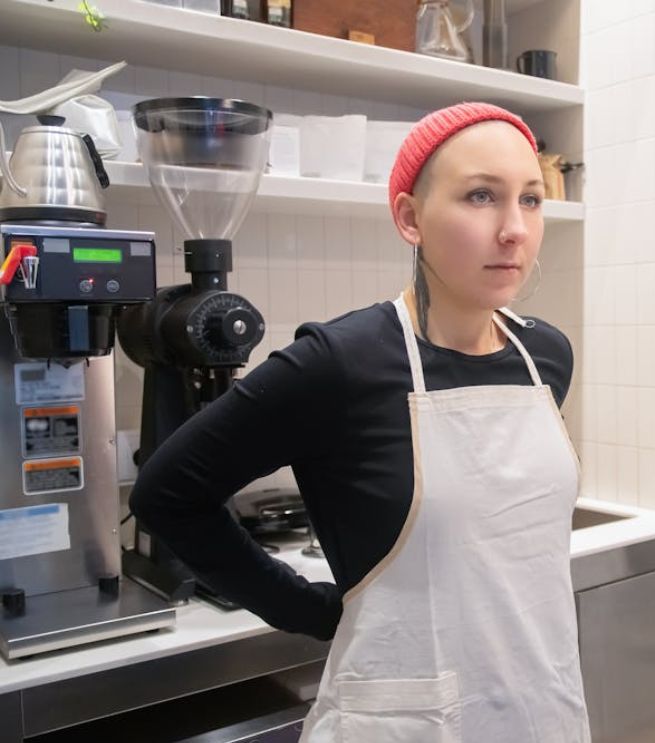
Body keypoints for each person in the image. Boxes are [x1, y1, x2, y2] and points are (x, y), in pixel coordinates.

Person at [129, 102, 591, 741]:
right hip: (407, 720)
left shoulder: (544, 357)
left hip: (542, 705)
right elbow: (168, 494)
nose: (514, 228)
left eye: (531, 200)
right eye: (481, 196)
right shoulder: (340, 362)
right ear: (409, 217)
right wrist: (308, 610)